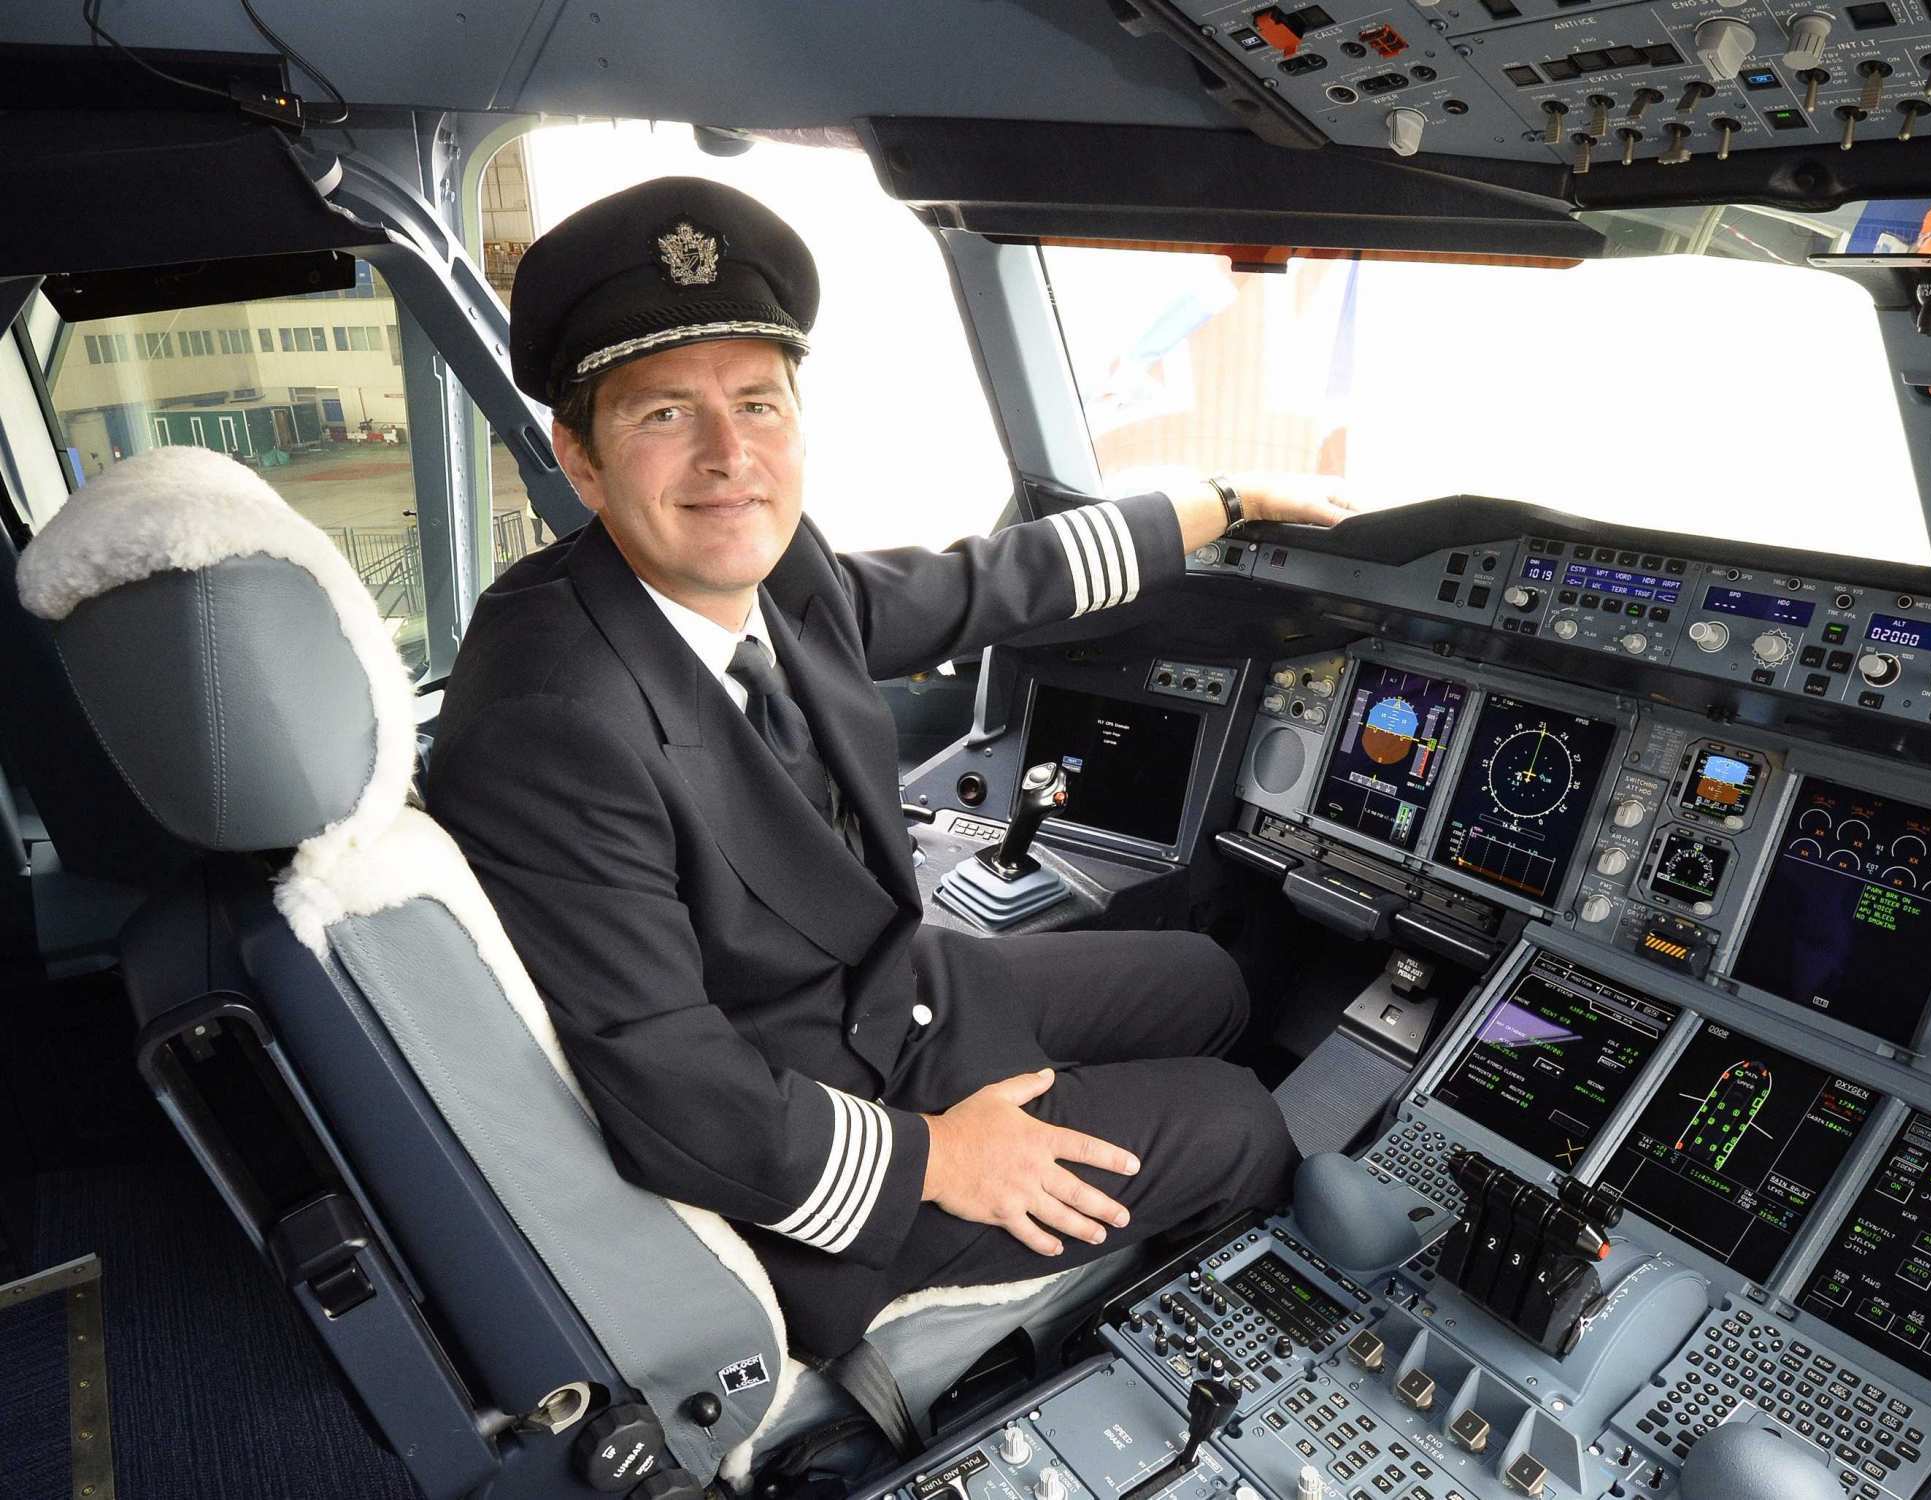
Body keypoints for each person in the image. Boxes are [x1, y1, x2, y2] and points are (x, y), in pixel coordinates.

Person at [427, 177, 1356, 1357]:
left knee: (1206, 979)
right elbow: (670, 1087)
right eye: (664, 413)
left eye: (757, 404)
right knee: (1235, 1121)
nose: (728, 457)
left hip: (887, 996)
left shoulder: (765, 570)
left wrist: (1216, 501)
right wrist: (939, 1159)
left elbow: (967, 586)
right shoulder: (550, 723)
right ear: (581, 455)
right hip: (804, 1140)